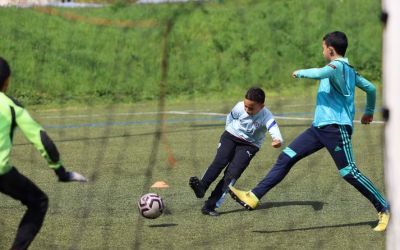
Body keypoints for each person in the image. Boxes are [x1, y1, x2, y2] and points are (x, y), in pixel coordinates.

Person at [229, 31, 390, 232]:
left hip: (336, 128)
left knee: (349, 172)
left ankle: (384, 207)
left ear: (330, 50)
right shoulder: (350, 71)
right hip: (319, 128)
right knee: (286, 158)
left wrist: (300, 72)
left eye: (323, 48)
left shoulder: (337, 66)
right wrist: (367, 112)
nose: (322, 51)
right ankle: (253, 197)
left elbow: (321, 73)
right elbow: (371, 89)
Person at [0, 57, 87, 250]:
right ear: (6, 81)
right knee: (39, 202)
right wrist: (61, 172)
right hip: (1, 173)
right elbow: (42, 140)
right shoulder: (12, 106)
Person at [189, 87, 283, 216]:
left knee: (232, 175)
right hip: (230, 136)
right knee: (220, 161)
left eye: (251, 108)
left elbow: (273, 127)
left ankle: (210, 206)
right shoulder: (239, 107)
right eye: (246, 106)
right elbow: (230, 118)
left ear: (262, 106)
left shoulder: (267, 116)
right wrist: (228, 132)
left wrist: (277, 139)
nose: (247, 110)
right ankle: (201, 187)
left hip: (250, 145)